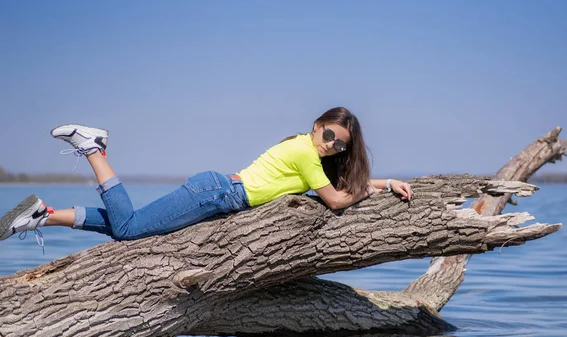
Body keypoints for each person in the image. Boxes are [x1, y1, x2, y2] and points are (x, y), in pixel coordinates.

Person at [0, 107, 412, 248]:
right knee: (129, 229)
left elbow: (344, 188)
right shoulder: (306, 151)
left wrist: (386, 182)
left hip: (217, 192)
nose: (332, 148)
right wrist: (368, 195)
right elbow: (339, 200)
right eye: (330, 136)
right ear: (318, 124)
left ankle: (45, 214)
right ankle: (93, 148)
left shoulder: (306, 151)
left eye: (340, 147)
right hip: (215, 194)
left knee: (135, 224)